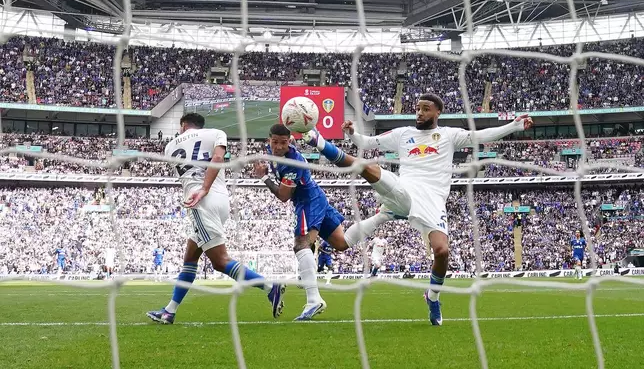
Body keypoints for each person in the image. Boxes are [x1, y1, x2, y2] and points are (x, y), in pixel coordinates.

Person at [303, 93, 533, 325]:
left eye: (426, 109)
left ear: (437, 113)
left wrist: (513, 125)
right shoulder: (403, 134)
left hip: (433, 198)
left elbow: (481, 136)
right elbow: (367, 143)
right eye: (418, 108)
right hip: (406, 187)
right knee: (367, 167)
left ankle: (432, 296)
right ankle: (319, 142)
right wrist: (352, 133)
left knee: (442, 252)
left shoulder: (449, 135)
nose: (420, 113)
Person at [146, 113, 285, 325]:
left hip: (199, 201)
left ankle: (269, 286)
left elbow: (192, 170)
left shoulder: (170, 146)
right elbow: (218, 159)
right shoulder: (217, 133)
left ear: (183, 126)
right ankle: (169, 311)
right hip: (221, 200)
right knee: (190, 259)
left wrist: (203, 189)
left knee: (220, 261)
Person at [254, 124, 353, 320]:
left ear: (290, 141)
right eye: (275, 142)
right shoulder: (271, 152)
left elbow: (283, 196)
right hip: (315, 197)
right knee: (340, 243)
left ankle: (314, 300)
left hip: (308, 202)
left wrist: (264, 176)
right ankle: (383, 216)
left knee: (301, 245)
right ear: (269, 141)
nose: (279, 146)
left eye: (284, 143)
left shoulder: (294, 162)